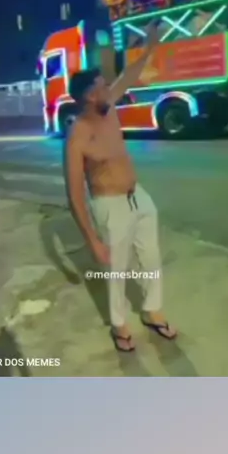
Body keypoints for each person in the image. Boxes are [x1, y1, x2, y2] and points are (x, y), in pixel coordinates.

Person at [64, 22, 177, 352]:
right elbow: (74, 194)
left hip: (138, 197)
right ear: (89, 97)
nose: (109, 88)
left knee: (151, 258)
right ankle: (119, 325)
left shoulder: (108, 105)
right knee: (116, 270)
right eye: (102, 86)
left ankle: (153, 311)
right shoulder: (78, 136)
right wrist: (93, 241)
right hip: (109, 205)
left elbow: (129, 74)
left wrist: (150, 45)